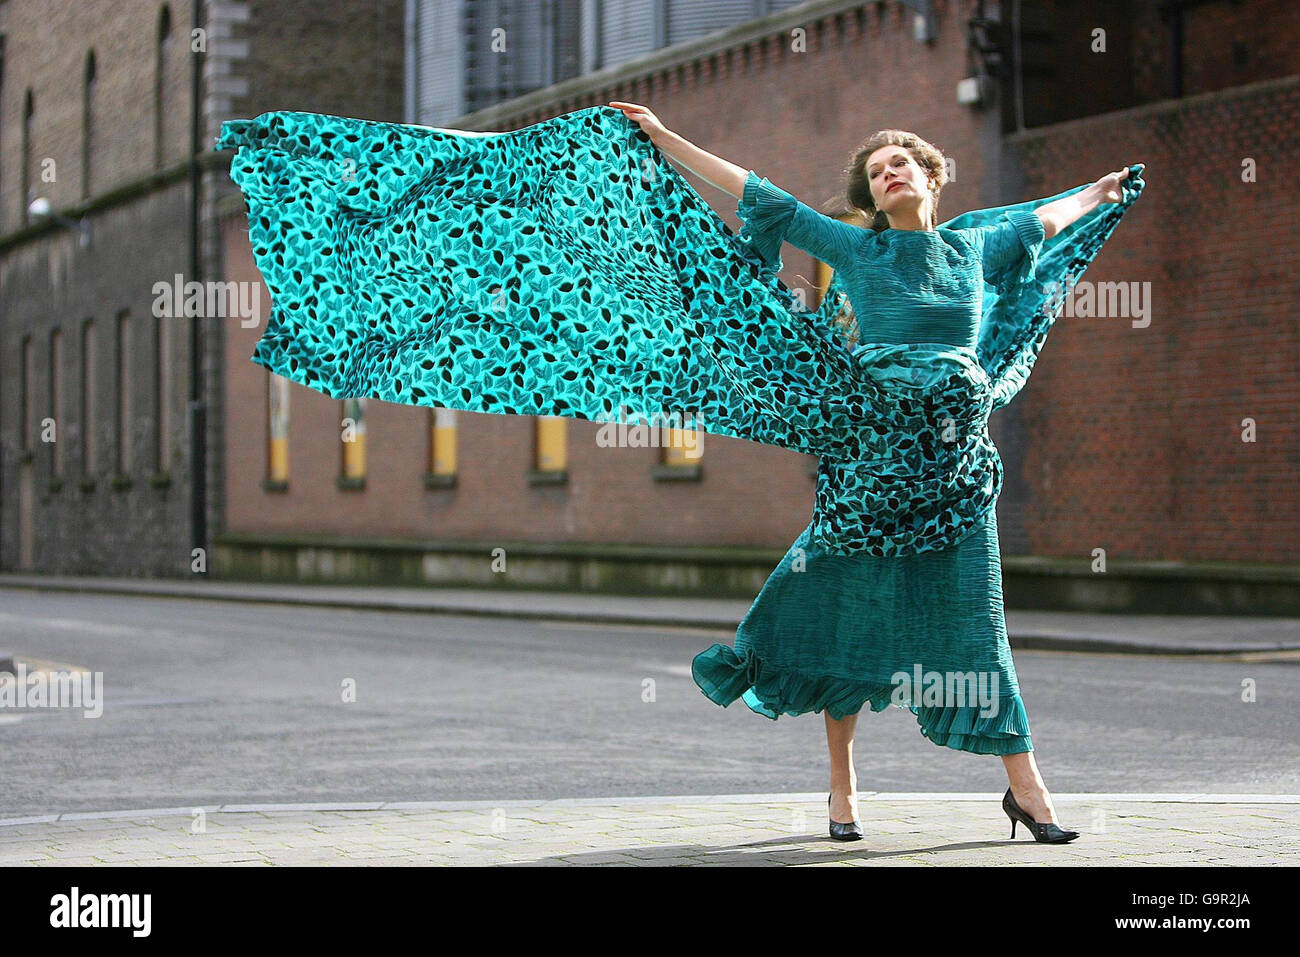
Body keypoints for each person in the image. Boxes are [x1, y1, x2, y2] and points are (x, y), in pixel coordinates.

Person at [610, 100, 1139, 844]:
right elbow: (759, 195)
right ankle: (842, 783)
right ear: (872, 196)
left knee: (977, 625)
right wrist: (665, 139)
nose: (888, 173)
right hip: (870, 470)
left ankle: (1029, 791)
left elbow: (1053, 220)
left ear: (930, 176)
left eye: (900, 164)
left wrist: (1101, 191)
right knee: (845, 614)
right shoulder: (861, 253)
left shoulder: (978, 247)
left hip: (957, 476)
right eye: (876, 172)